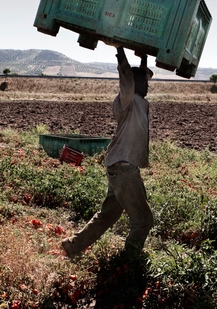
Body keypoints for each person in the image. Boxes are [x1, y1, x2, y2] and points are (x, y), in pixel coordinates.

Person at [62, 47, 154, 257]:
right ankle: (128, 262)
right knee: (143, 220)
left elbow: (135, 76)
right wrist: (120, 50)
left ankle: (73, 245)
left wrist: (144, 58)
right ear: (134, 83)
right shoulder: (127, 100)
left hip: (119, 166)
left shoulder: (138, 101)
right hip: (124, 169)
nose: (148, 86)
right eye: (145, 81)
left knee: (109, 214)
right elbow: (127, 76)